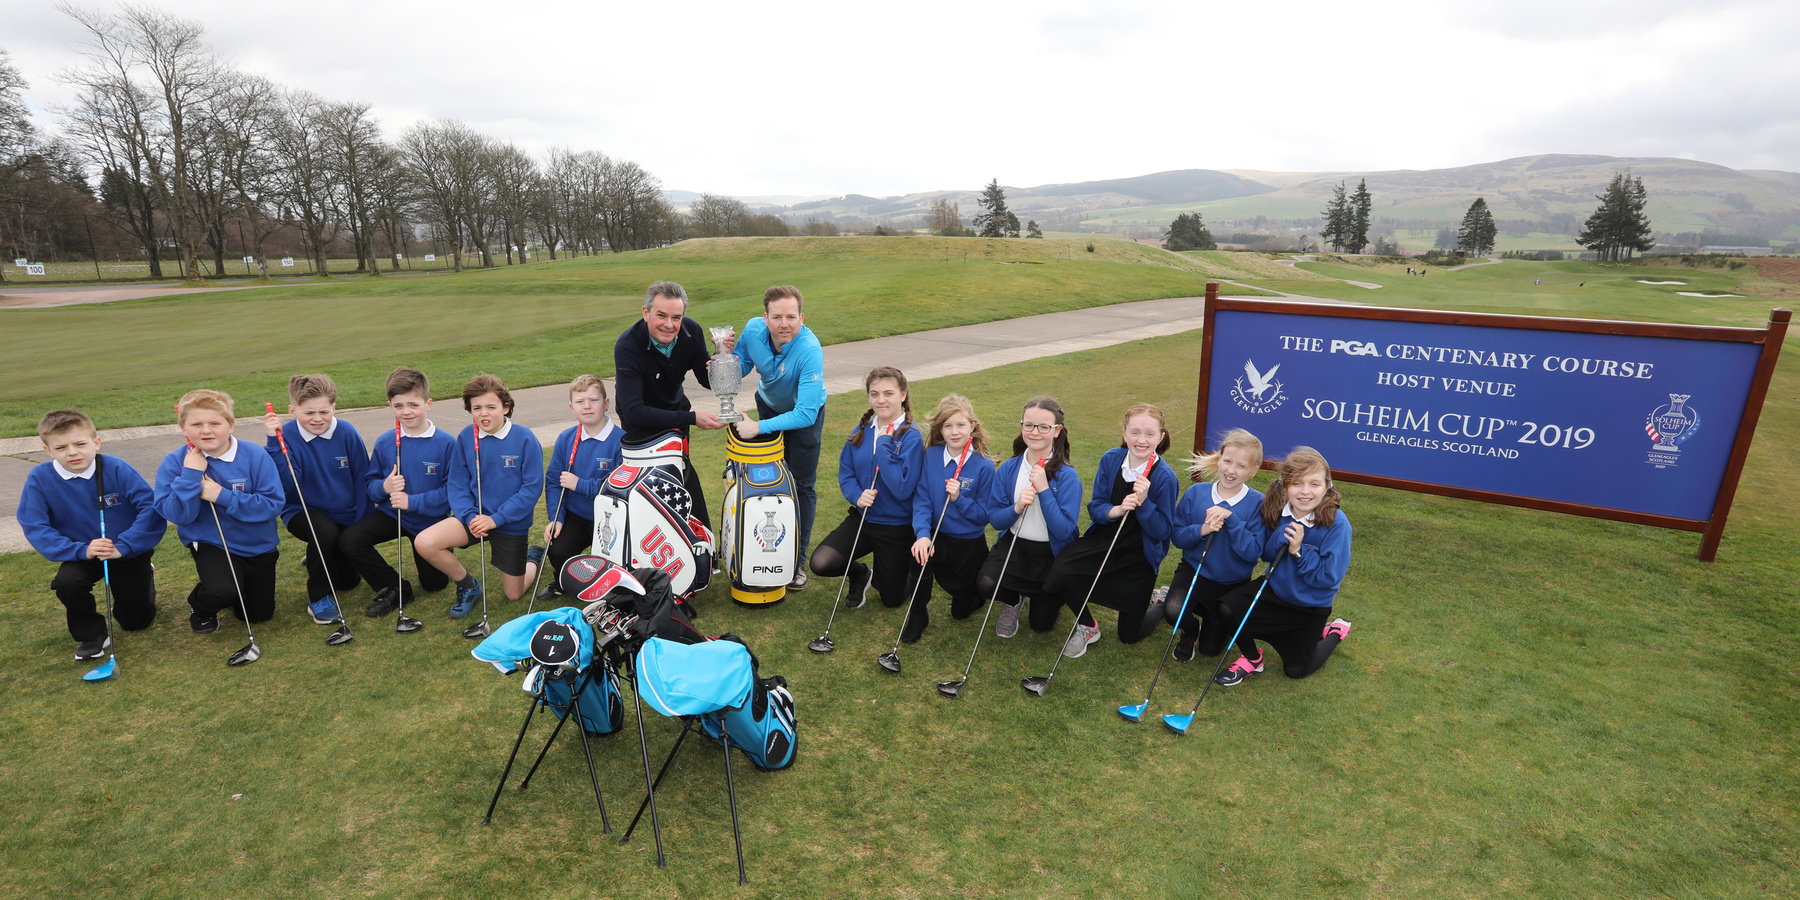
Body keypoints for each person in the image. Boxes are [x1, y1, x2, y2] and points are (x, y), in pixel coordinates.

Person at [18, 409, 166, 661]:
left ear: (96, 443)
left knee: (135, 622)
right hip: (82, 552)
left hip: (124, 550)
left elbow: (150, 507)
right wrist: (81, 550)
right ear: (48, 450)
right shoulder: (40, 478)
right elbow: (35, 525)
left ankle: (144, 574)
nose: (72, 452)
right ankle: (92, 634)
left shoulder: (117, 468)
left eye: (80, 444)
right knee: (68, 582)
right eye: (61, 447)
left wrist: (126, 545)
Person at [1042, 403, 1180, 658]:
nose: (1141, 440)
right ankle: (1088, 626)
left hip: (1140, 552)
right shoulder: (1111, 459)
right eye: (1135, 432)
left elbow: (1162, 532)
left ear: (1161, 437)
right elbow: (1096, 507)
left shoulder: (1166, 478)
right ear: (1124, 433)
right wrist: (1116, 509)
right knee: (1059, 572)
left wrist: (1144, 503)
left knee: (1129, 636)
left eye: (1150, 434)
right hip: (1106, 539)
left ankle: (1160, 602)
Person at [1212, 446, 1354, 687]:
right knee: (1227, 608)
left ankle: (1333, 632)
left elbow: (1328, 578)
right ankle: (1252, 658)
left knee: (1297, 670)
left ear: (1328, 486)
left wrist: (1299, 551)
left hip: (1309, 605)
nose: (1305, 492)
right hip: (1275, 592)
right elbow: (1266, 555)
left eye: (1314, 484)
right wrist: (1278, 536)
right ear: (1285, 486)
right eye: (1297, 484)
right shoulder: (1278, 511)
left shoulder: (1337, 523)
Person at [153, 390, 285, 632]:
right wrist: (191, 475)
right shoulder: (175, 462)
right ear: (183, 428)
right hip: (211, 542)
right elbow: (179, 515)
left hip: (257, 543)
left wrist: (220, 495)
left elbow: (272, 505)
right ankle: (200, 604)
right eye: (196, 424)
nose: (206, 430)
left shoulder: (255, 455)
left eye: (215, 423)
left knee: (258, 616)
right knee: (222, 591)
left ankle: (237, 589)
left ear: (231, 425)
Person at [414, 374, 544, 617]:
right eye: (477, 408)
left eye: (491, 407)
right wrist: (470, 515)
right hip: (473, 519)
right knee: (424, 542)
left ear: (506, 407)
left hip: (510, 523)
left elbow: (531, 489)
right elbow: (458, 484)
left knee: (513, 594)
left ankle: (532, 560)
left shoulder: (525, 438)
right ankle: (468, 586)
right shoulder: (466, 437)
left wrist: (496, 519)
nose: (484, 413)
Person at [723, 285, 827, 589]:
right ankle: (763, 548)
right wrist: (725, 360)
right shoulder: (754, 330)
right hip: (768, 405)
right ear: (765, 317)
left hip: (805, 416)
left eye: (791, 317)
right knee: (766, 479)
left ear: (801, 317)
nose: (785, 324)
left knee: (801, 484)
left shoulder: (810, 350)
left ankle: (796, 562)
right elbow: (742, 365)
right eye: (778, 317)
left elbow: (805, 414)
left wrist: (759, 427)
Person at [339, 366, 456, 617]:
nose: (406, 412)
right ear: (390, 405)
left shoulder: (447, 443)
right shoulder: (384, 441)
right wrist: (385, 487)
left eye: (413, 405)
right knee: (350, 540)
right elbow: (371, 487)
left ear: (428, 403)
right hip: (393, 515)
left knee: (435, 585)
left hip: (430, 520)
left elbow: (451, 493)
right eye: (398, 405)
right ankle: (395, 587)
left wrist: (411, 502)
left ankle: (435, 555)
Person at [807, 366, 923, 614]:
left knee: (892, 599)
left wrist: (883, 443)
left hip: (897, 527)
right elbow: (846, 473)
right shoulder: (861, 431)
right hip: (864, 519)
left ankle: (908, 568)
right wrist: (857, 496)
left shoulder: (912, 437)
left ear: (903, 395)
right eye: (874, 393)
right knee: (821, 562)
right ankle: (861, 574)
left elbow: (902, 489)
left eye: (888, 393)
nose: (881, 400)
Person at [612, 280, 726, 529]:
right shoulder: (627, 346)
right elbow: (634, 413)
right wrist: (692, 418)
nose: (669, 324)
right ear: (646, 312)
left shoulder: (690, 332)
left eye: (677, 317)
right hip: (640, 422)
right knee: (650, 486)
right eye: (661, 315)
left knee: (680, 476)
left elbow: (707, 381)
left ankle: (697, 547)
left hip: (675, 414)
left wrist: (721, 362)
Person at [263, 374, 370, 625]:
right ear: (292, 410)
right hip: (302, 510)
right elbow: (288, 485)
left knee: (348, 583)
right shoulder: (285, 435)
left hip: (345, 513)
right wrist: (273, 442)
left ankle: (318, 556)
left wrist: (360, 524)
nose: (318, 418)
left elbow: (361, 477)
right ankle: (319, 598)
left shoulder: (346, 431)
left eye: (324, 411)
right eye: (309, 412)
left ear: (334, 407)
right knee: (323, 532)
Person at [979, 397, 1082, 639]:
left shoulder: (1068, 476)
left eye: (1044, 427)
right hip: (1015, 547)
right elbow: (995, 520)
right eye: (1029, 425)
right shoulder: (1009, 468)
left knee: (1041, 625)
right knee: (985, 583)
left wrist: (1044, 490)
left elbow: (1064, 530)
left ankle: (1045, 596)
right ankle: (1013, 600)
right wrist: (1016, 507)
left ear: (1057, 431)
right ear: (1022, 426)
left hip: (1050, 553)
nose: (1035, 432)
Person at [1163, 428, 1267, 662]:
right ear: (1219, 459)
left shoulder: (1258, 503)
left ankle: (1206, 616)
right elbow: (1177, 537)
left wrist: (1232, 520)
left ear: (1253, 472)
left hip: (1231, 583)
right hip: (1193, 572)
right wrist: (1201, 530)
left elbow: (1252, 553)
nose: (1231, 470)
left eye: (1241, 466)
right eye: (1227, 461)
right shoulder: (1196, 492)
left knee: (1210, 649)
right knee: (1174, 611)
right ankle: (1190, 630)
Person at [905, 394, 996, 642]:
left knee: (961, 612)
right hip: (939, 537)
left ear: (972, 427)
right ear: (940, 429)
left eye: (961, 425)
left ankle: (973, 596)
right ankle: (917, 615)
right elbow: (922, 499)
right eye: (948, 425)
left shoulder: (984, 466)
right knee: (919, 554)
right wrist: (923, 536)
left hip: (969, 545)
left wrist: (959, 499)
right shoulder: (930, 456)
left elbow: (983, 517)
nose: (955, 432)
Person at [537, 374, 624, 602]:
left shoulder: (622, 441)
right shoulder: (566, 439)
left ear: (606, 404)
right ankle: (563, 581)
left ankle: (601, 580)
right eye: (580, 401)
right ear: (571, 407)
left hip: (612, 517)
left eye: (593, 400)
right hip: (577, 515)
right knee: (558, 550)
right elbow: (555, 481)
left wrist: (580, 484)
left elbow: (620, 487)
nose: (587, 406)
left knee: (612, 564)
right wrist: (557, 518)